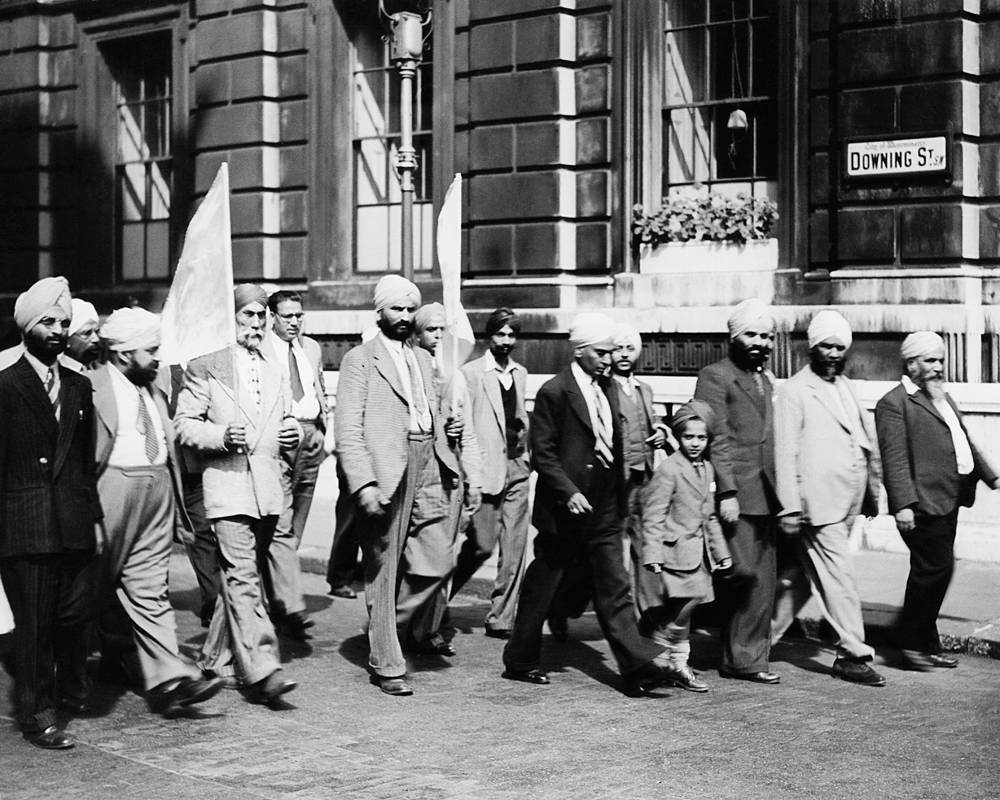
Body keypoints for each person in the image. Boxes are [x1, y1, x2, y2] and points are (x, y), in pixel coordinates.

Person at [501, 312, 677, 697]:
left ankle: (636, 668)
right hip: (565, 507)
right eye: (601, 352)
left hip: (606, 502)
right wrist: (568, 492)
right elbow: (542, 453)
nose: (609, 359)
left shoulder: (610, 387)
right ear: (579, 351)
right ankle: (520, 660)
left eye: (612, 352)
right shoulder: (554, 391)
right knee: (543, 584)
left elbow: (614, 440)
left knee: (615, 584)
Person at [91, 308, 224, 714]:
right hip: (109, 493)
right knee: (87, 586)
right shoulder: (90, 388)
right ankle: (56, 674)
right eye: (151, 350)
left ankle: (170, 680)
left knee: (150, 589)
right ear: (124, 353)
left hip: (156, 493)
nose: (158, 358)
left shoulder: (153, 391)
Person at [174, 284, 301, 705]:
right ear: (230, 318)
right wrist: (221, 435)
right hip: (226, 487)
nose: (257, 323)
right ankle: (264, 667)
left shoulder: (274, 367)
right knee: (245, 578)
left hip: (267, 490)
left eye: (262, 315)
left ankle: (213, 660)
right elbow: (185, 425)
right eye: (248, 315)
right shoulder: (206, 366)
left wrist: (293, 433)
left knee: (237, 579)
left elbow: (288, 420)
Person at [335, 276, 460, 696]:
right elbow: (348, 428)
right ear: (380, 313)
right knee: (383, 568)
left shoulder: (424, 360)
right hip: (387, 470)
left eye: (410, 310)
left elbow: (432, 414)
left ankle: (385, 625)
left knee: (438, 559)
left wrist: (449, 431)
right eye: (397, 310)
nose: (405, 317)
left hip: (428, 461)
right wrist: (364, 483)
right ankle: (386, 661)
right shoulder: (360, 360)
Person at [0, 277, 103, 750]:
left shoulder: (80, 387)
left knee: (75, 616)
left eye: (64, 323)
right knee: (35, 627)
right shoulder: (6, 386)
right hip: (25, 525)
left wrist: (93, 519)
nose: (59, 330)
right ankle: (36, 714)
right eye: (48, 322)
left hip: (74, 522)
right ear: (26, 328)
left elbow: (83, 462)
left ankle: (65, 691)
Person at [770, 311, 885, 687]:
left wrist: (870, 496)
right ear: (812, 347)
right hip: (816, 505)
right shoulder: (794, 391)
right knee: (840, 580)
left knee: (804, 579)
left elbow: (862, 443)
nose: (833, 353)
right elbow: (784, 451)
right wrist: (789, 505)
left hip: (847, 501)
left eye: (839, 347)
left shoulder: (847, 387)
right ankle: (853, 655)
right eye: (826, 346)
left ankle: (754, 640)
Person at [875, 331, 1000, 671]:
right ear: (911, 364)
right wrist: (902, 504)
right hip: (922, 502)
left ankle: (925, 645)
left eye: (940, 360)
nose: (938, 367)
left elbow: (964, 441)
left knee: (933, 570)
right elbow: (895, 458)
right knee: (935, 570)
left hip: (951, 497)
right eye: (930, 360)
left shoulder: (942, 397)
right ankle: (911, 643)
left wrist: (991, 476)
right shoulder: (894, 403)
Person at [693, 298, 781, 684]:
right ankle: (697, 638)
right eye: (751, 334)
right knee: (742, 575)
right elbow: (716, 438)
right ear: (734, 336)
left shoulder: (769, 380)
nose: (760, 342)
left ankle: (746, 659)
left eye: (766, 335)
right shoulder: (715, 376)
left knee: (763, 580)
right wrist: (725, 492)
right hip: (738, 492)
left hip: (770, 493)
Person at [396, 303, 481, 655]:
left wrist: (473, 479)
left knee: (444, 554)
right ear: (416, 333)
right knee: (417, 559)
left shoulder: (453, 376)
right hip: (414, 475)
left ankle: (427, 630)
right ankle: (392, 625)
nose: (439, 337)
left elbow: (469, 434)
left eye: (444, 330)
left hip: (449, 477)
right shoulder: (406, 370)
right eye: (432, 330)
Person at [642, 400, 732, 693]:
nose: (695, 443)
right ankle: (661, 643)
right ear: (677, 436)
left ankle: (676, 664)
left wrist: (721, 553)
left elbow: (710, 516)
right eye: (688, 437)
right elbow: (653, 514)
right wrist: (652, 553)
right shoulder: (669, 469)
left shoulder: (707, 469)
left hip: (700, 553)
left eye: (701, 437)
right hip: (675, 552)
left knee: (690, 609)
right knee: (689, 602)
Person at [451, 307, 530, 638]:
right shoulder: (470, 374)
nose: (507, 341)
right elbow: (464, 427)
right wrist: (467, 474)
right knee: (481, 545)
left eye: (512, 335)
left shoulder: (521, 372)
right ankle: (435, 600)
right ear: (489, 336)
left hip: (517, 468)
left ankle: (502, 617)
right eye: (501, 334)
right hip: (485, 470)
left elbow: (520, 416)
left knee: (515, 548)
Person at [263, 290, 335, 638]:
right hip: (280, 439)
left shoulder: (311, 348)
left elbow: (318, 386)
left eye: (298, 316)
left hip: (311, 438)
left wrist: (323, 428)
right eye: (287, 316)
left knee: (297, 525)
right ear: (271, 317)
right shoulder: (262, 349)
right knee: (280, 521)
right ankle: (289, 601)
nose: (294, 322)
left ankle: (277, 597)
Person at [609, 323, 670, 626]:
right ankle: (570, 603)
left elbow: (654, 421)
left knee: (646, 542)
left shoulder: (644, 389)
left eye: (629, 349)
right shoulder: (605, 388)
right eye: (618, 349)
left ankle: (647, 612)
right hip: (615, 480)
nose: (623, 355)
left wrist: (660, 432)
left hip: (644, 477)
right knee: (607, 545)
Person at [0, 297, 101, 373]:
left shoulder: (103, 373)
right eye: (87, 333)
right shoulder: (6, 362)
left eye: (97, 332)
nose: (96, 339)